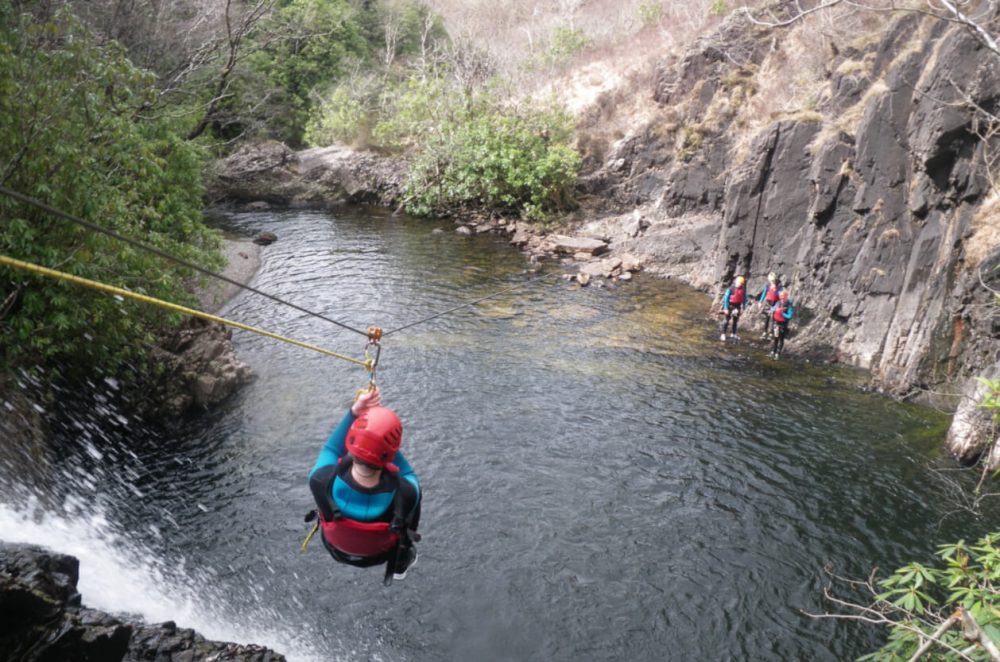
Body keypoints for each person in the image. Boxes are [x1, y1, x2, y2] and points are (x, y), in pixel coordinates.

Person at [307, 387, 421, 584]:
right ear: (391, 452)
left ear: (351, 441)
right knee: (411, 506)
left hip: (336, 547)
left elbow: (331, 448)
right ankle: (403, 558)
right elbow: (407, 472)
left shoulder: (319, 480)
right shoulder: (407, 491)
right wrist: (382, 440)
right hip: (380, 554)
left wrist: (355, 413)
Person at [755, 272, 785, 338]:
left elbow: (780, 296)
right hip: (768, 302)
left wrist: (775, 290)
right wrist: (760, 301)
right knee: (767, 317)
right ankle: (765, 331)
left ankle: (771, 332)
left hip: (775, 302)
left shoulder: (778, 287)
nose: (771, 282)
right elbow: (764, 293)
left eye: (772, 281)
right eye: (770, 280)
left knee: (773, 318)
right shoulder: (768, 285)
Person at [719, 275, 748, 341]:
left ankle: (733, 334)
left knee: (735, 321)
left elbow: (744, 299)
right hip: (730, 306)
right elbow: (726, 299)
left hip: (737, 306)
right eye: (739, 283)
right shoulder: (730, 289)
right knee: (726, 320)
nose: (739, 284)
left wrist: (743, 308)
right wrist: (726, 308)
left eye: (741, 283)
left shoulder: (743, 290)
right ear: (736, 282)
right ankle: (723, 334)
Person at [769, 290, 794, 359]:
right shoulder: (778, 303)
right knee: (776, 338)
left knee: (781, 339)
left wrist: (782, 313)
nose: (782, 300)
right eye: (781, 298)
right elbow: (773, 309)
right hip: (776, 323)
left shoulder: (789, 306)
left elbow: (789, 316)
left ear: (786, 298)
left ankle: (778, 352)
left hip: (783, 325)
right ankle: (774, 351)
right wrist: (772, 310)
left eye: (784, 298)